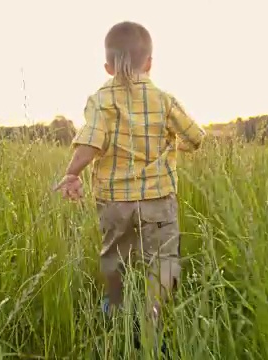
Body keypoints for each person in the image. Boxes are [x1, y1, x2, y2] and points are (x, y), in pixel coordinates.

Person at [53, 20, 204, 349]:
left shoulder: (101, 99)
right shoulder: (164, 99)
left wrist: (72, 173)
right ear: (149, 62)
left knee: (114, 258)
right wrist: (172, 147)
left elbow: (91, 143)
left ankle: (116, 309)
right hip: (158, 198)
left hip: (114, 202)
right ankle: (152, 314)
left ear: (107, 66)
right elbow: (195, 137)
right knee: (163, 260)